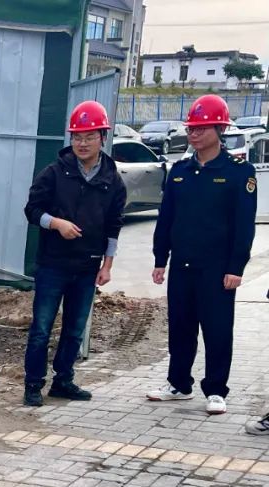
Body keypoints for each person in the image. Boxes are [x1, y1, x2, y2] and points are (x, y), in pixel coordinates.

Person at [148, 94, 257, 416]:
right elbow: (166, 219)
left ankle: (216, 389)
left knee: (217, 329)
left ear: (219, 129)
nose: (193, 134)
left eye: (200, 128)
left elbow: (244, 225)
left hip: (217, 268)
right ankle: (179, 384)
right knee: (180, 327)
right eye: (191, 129)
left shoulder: (239, 172)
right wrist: (159, 259)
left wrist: (236, 266)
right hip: (182, 265)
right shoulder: (180, 171)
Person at [22, 101, 126, 407]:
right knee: (41, 328)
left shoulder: (112, 179)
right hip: (53, 265)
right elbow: (32, 210)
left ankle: (63, 380)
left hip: (87, 267)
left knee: (74, 329)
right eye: (77, 137)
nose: (82, 143)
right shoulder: (54, 173)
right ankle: (32, 383)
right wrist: (56, 224)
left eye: (89, 137)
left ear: (102, 138)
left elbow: (114, 226)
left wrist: (107, 265)